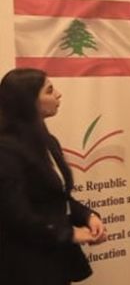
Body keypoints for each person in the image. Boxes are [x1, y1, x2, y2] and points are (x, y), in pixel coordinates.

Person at [0, 68, 108, 284]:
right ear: (28, 101)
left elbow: (58, 197)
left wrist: (88, 216)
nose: (58, 94)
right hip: (24, 265)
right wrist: (70, 234)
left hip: (56, 259)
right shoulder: (6, 150)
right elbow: (16, 216)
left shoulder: (48, 141)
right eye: (49, 90)